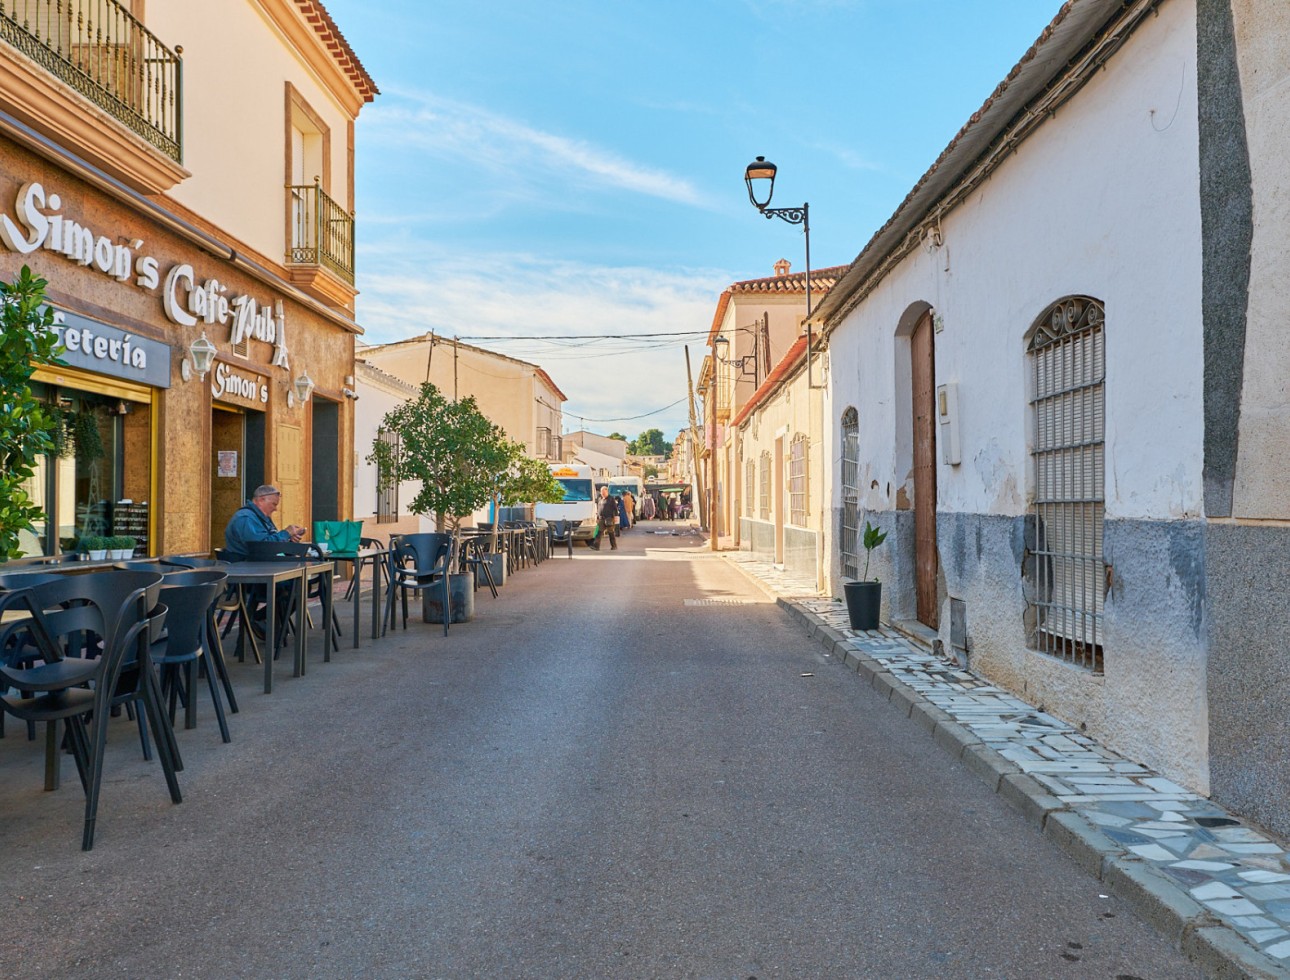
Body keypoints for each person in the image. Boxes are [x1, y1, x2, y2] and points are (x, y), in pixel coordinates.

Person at [223, 485, 306, 561]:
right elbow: (261, 548)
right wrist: (286, 533)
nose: (275, 509)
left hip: (260, 565)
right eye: (274, 504)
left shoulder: (261, 518)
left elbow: (270, 541)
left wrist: (289, 541)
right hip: (248, 569)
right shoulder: (246, 518)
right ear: (261, 500)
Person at [591, 485, 618, 551]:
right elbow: (599, 509)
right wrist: (597, 517)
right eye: (602, 492)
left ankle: (614, 546)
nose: (603, 493)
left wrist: (616, 517)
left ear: (607, 492)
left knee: (611, 533)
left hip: (609, 518)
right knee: (599, 532)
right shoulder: (600, 499)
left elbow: (615, 508)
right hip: (601, 519)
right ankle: (596, 546)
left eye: (604, 492)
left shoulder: (611, 499)